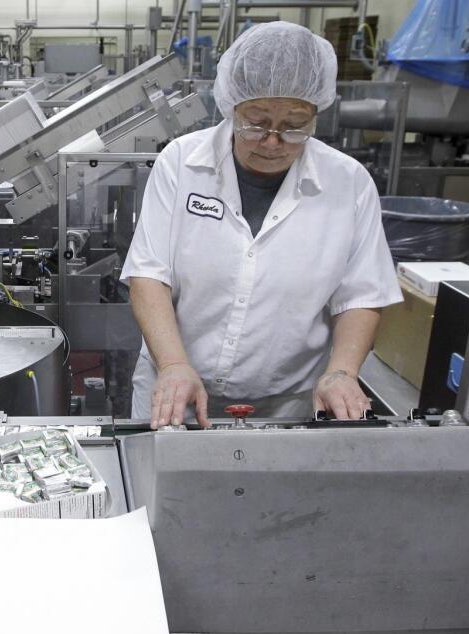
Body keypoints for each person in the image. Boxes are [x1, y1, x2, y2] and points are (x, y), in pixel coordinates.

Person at [121, 21, 402, 428]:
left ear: (317, 115)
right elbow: (148, 275)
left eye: (294, 125)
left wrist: (342, 371)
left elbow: (360, 294)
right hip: (176, 388)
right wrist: (174, 364)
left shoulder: (348, 182)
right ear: (231, 105)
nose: (273, 141)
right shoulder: (182, 163)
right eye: (256, 122)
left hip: (289, 404)